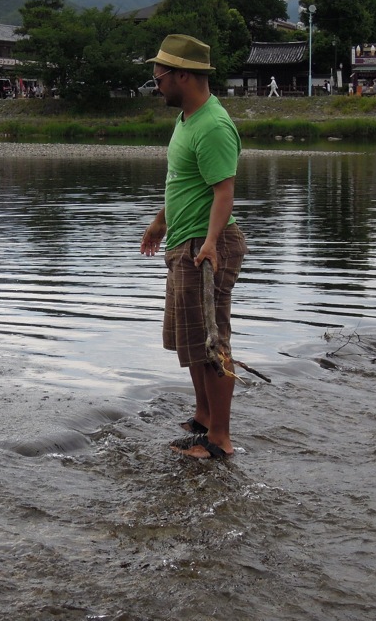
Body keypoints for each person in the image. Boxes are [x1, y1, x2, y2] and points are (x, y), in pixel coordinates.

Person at [139, 34, 248, 460]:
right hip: (186, 243)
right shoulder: (187, 118)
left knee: (212, 341)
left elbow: (224, 192)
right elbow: (182, 182)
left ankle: (220, 439)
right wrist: (160, 222)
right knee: (190, 341)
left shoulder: (213, 125)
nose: (156, 84)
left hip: (206, 249)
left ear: (183, 75)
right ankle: (204, 419)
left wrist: (209, 244)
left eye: (159, 76)